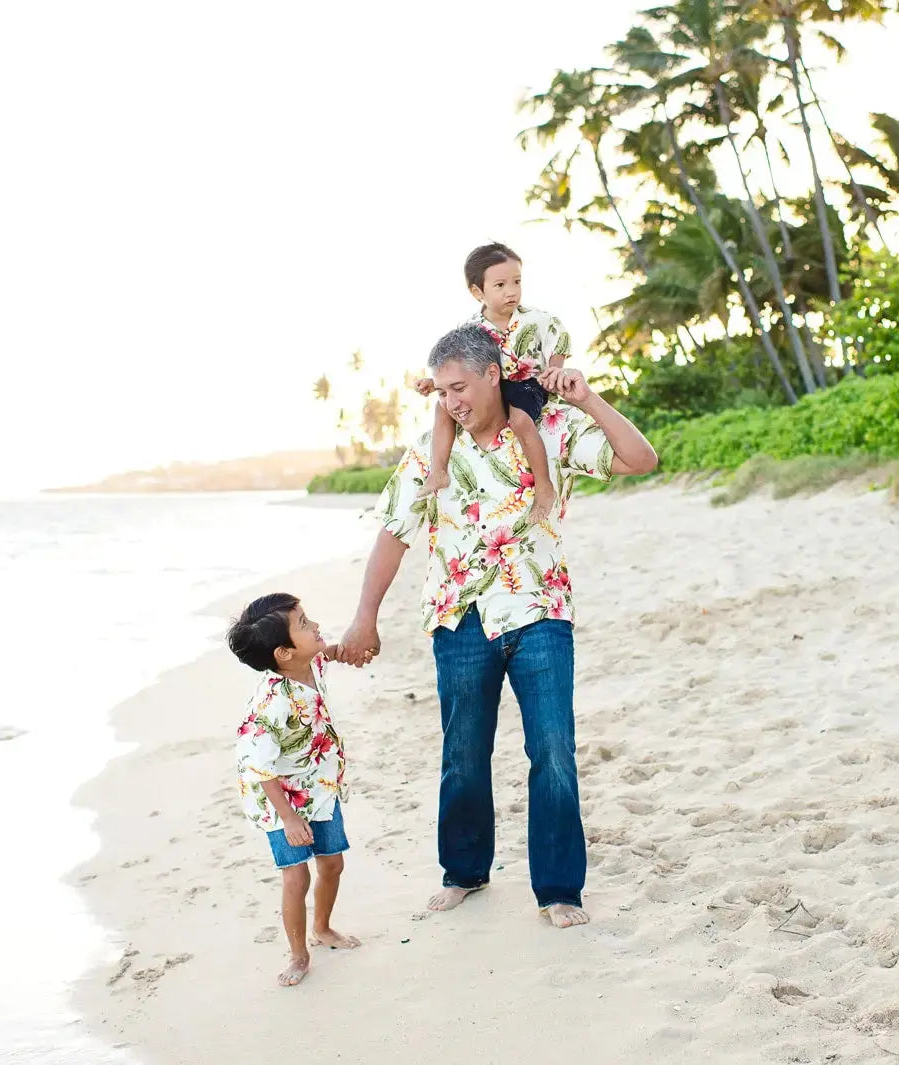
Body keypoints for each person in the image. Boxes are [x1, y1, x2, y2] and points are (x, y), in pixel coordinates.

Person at [339, 325, 657, 929]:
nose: (452, 400)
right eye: (441, 391)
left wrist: (588, 399)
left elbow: (640, 460)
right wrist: (364, 616)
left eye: (460, 386)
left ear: (492, 374)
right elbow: (393, 533)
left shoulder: (547, 429)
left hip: (539, 610)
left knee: (554, 751)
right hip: (458, 619)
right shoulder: (428, 456)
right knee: (462, 753)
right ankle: (464, 872)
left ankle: (560, 889)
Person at [228, 593, 365, 986]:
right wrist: (288, 818)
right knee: (296, 877)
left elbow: (328, 653)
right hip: (278, 801)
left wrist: (346, 649)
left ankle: (323, 928)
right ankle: (298, 954)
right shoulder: (272, 703)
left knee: (333, 863)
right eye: (304, 624)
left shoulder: (307, 663)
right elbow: (258, 766)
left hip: (318, 788)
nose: (315, 625)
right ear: (284, 653)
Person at [414, 242, 571, 526]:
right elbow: (457, 364)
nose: (511, 291)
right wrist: (432, 382)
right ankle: (438, 470)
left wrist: (554, 372)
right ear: (478, 292)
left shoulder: (538, 320)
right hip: (492, 389)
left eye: (516, 282)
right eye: (500, 285)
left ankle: (544, 488)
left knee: (521, 421)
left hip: (528, 385)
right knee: (442, 408)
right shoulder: (472, 328)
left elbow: (558, 341)